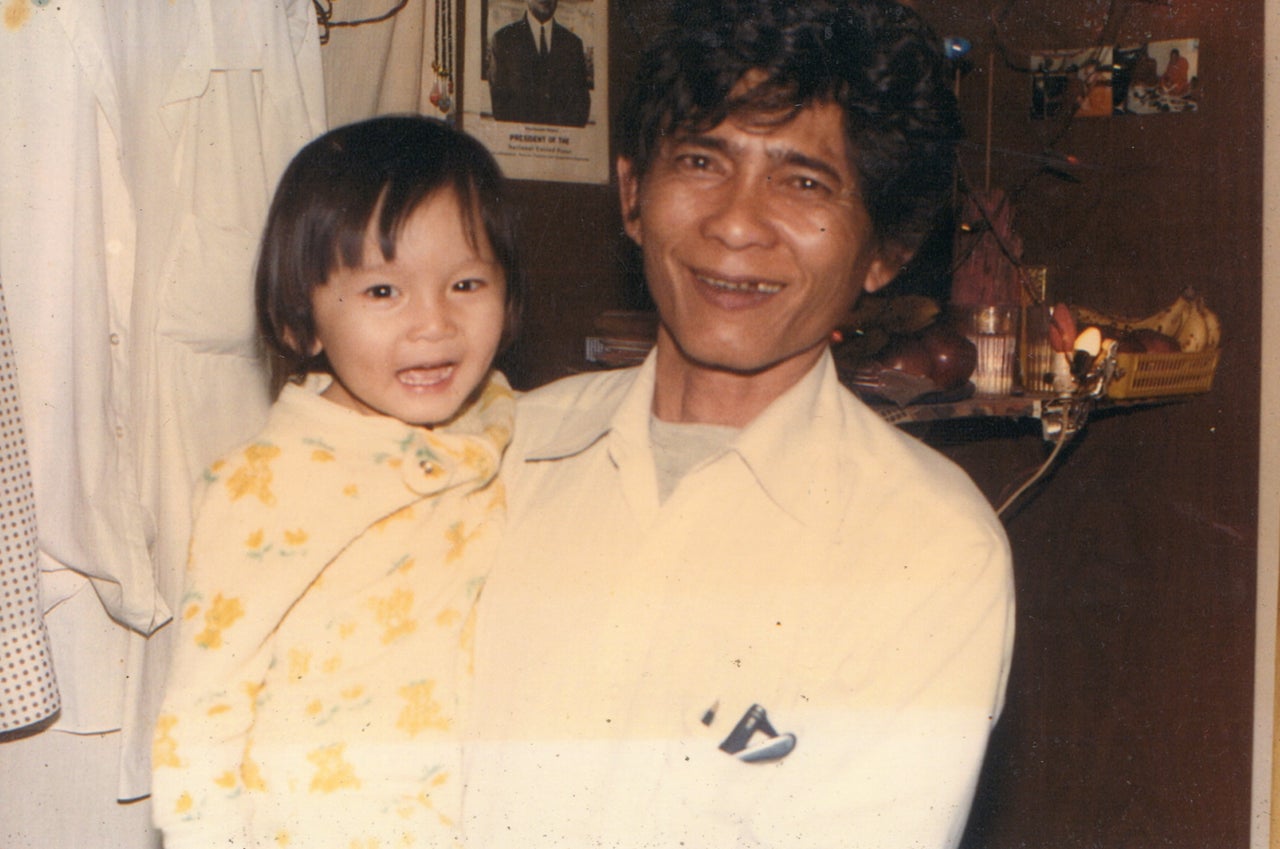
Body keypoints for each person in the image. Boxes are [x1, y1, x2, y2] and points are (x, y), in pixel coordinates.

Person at [463, 1, 1015, 847]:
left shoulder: (928, 548)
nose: (735, 223)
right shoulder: (493, 458)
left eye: (803, 182)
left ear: (885, 251)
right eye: (700, 160)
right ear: (632, 193)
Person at [150, 115, 522, 849]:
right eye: (384, 292)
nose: (434, 323)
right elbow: (202, 714)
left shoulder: (510, 425)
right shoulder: (261, 484)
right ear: (301, 321)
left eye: (466, 283)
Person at [487, 0, 590, 127]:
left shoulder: (573, 45)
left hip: (561, 144)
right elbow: (500, 105)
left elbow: (581, 106)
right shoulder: (503, 40)